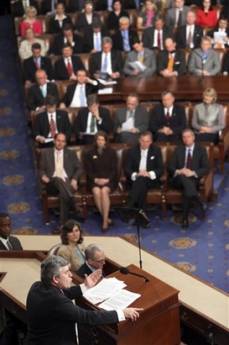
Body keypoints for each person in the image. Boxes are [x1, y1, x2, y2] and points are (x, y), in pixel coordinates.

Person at [26, 255, 142, 345]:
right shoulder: (57, 301)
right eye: (66, 273)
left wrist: (85, 286)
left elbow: (63, 293)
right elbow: (88, 317)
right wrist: (121, 313)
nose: (71, 275)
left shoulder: (37, 286)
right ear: (55, 279)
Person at [168, 128, 209, 228]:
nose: (186, 139)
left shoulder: (201, 150)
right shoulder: (178, 149)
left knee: (188, 188)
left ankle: (185, 218)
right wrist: (180, 171)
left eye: (188, 136)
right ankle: (196, 199)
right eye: (184, 137)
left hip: (193, 179)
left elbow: (206, 168)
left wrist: (193, 172)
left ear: (193, 137)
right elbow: (170, 167)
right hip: (178, 180)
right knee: (183, 177)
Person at [40, 133, 82, 224]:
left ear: (65, 143)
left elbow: (79, 168)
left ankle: (63, 225)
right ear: (54, 141)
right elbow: (41, 170)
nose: (60, 143)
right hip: (52, 183)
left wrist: (74, 179)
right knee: (58, 179)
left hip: (68, 183)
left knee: (63, 194)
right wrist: (43, 176)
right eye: (58, 140)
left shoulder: (71, 153)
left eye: (63, 141)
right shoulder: (46, 153)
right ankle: (74, 205)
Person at [123, 131, 163, 226]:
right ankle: (142, 217)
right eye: (142, 141)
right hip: (136, 179)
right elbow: (127, 168)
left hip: (151, 180)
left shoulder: (156, 150)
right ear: (139, 140)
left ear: (151, 142)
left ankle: (129, 207)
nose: (145, 143)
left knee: (142, 181)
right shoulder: (132, 151)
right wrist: (136, 174)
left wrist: (149, 174)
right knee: (141, 183)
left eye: (147, 141)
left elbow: (160, 169)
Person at [83, 132, 118, 231]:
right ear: (96, 141)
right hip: (94, 180)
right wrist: (96, 179)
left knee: (104, 191)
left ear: (105, 141)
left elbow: (114, 169)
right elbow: (88, 170)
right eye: (98, 140)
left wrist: (107, 179)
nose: (100, 142)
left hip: (109, 179)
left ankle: (104, 222)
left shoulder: (112, 152)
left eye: (102, 140)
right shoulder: (89, 153)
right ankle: (106, 218)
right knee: (97, 191)